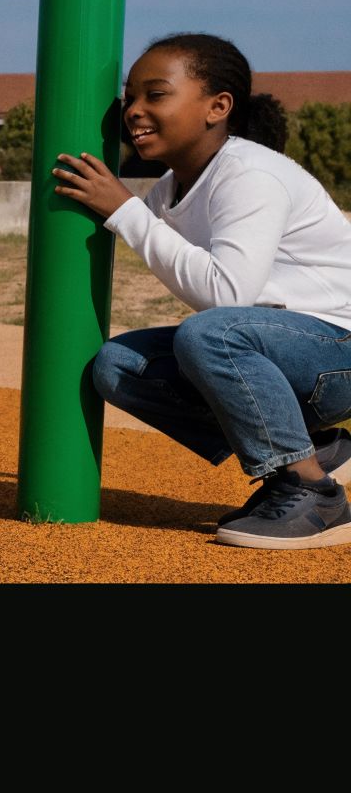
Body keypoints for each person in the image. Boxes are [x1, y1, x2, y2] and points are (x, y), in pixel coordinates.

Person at [63, 33, 351, 550]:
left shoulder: (250, 173)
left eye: (155, 94)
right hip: (286, 354)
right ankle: (307, 447)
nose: (134, 110)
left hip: (339, 351)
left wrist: (125, 211)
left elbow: (227, 294)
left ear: (218, 107)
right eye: (129, 97)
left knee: (209, 333)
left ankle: (313, 492)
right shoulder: (169, 190)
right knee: (118, 365)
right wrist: (129, 211)